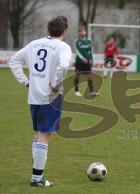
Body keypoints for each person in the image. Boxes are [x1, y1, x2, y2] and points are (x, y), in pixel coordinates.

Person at [9, 16, 72, 187]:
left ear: (48, 30)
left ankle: (37, 173)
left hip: (34, 95)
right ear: (65, 31)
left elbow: (14, 60)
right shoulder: (63, 46)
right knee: (44, 135)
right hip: (50, 97)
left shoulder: (34, 43)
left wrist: (26, 82)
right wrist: (56, 84)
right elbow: (65, 65)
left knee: (39, 134)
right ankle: (37, 178)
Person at [74, 26, 99, 97]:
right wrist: (82, 59)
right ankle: (76, 91)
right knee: (77, 76)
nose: (82, 32)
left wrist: (91, 60)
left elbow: (90, 51)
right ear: (79, 33)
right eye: (81, 31)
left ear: (85, 32)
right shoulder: (77, 41)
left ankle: (92, 91)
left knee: (90, 76)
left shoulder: (89, 41)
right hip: (79, 62)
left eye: (84, 31)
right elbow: (77, 51)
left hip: (87, 62)